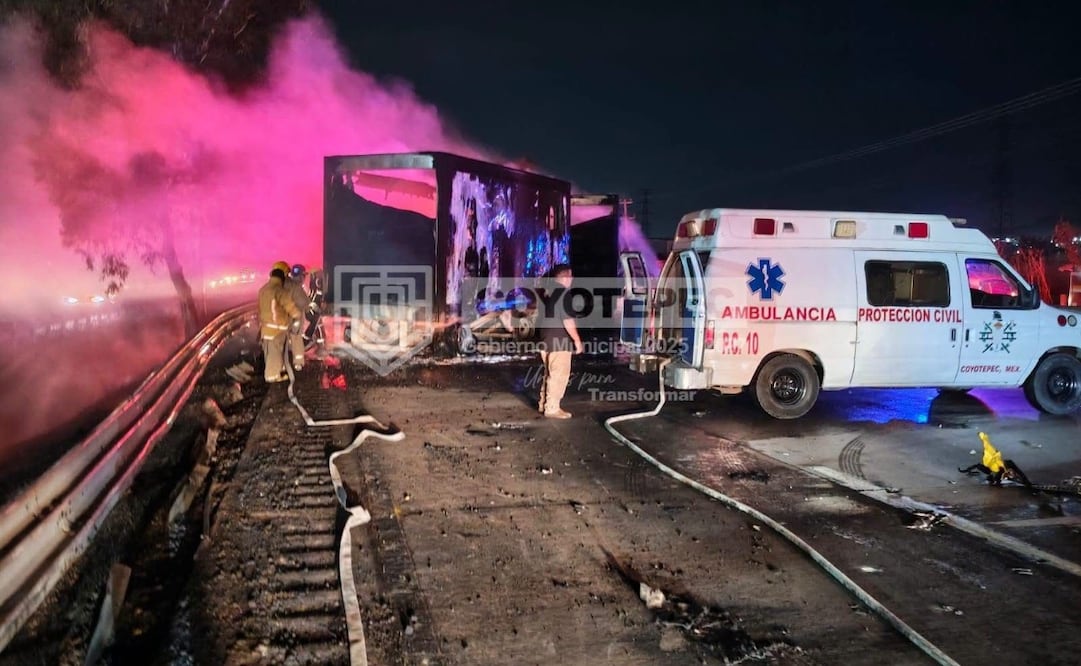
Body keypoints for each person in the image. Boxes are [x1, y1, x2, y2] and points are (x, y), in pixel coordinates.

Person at [537, 264, 583, 419]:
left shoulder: (549, 292)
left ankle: (544, 403)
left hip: (546, 339)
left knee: (549, 374)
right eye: (571, 276)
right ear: (565, 277)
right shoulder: (563, 293)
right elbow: (568, 320)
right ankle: (552, 408)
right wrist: (577, 340)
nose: (572, 279)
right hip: (559, 341)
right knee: (558, 375)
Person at [258, 261, 302, 383]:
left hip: (266, 328)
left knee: (269, 352)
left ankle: (277, 370)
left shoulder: (263, 290)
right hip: (277, 328)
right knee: (275, 353)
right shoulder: (279, 291)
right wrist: (296, 315)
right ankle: (272, 377)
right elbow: (289, 306)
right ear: (281, 277)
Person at [286, 264, 310, 371]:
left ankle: (282, 363)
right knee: (296, 338)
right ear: (301, 276)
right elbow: (305, 303)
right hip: (295, 319)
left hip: (283, 319)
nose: (303, 279)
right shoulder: (297, 288)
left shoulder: (285, 285)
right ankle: (298, 363)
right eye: (303, 276)